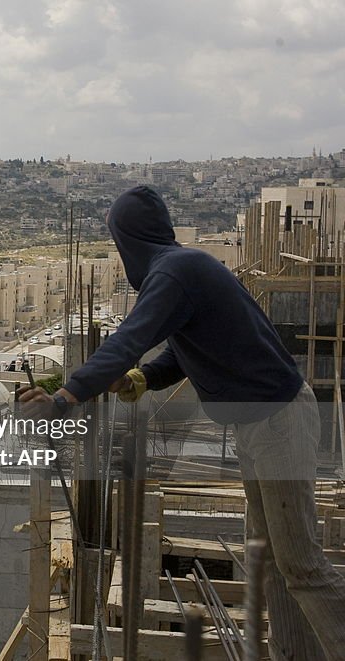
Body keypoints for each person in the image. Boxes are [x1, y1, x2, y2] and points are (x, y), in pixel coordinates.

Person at [18, 185, 345, 661]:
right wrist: (144, 378)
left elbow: (128, 339)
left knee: (302, 564)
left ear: (127, 239)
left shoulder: (172, 272)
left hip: (277, 420)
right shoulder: (184, 267)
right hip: (264, 422)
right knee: (273, 562)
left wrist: (64, 398)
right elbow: (186, 350)